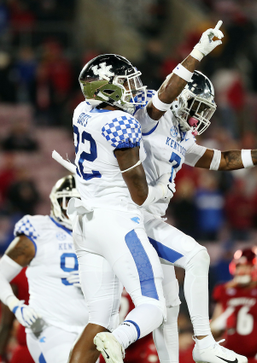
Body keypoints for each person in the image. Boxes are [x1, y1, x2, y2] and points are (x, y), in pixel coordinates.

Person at [65, 20, 227, 363]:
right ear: (106, 89)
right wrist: (160, 191)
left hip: (85, 222)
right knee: (152, 304)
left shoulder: (82, 111)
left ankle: (113, 339)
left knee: (97, 320)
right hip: (117, 219)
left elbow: (161, 101)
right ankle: (120, 340)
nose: (135, 86)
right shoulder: (122, 123)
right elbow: (138, 195)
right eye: (125, 82)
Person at [131, 70, 257, 362]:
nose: (198, 116)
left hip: (150, 220)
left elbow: (222, 160)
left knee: (170, 304)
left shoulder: (180, 137)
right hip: (131, 218)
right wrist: (198, 52)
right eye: (196, 105)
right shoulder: (152, 119)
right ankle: (203, 342)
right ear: (179, 97)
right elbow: (160, 97)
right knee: (196, 258)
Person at [0, 175, 87, 363]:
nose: (72, 207)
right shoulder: (39, 231)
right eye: (68, 201)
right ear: (56, 202)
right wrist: (17, 307)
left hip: (88, 328)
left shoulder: (95, 234)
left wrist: (95, 280)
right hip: (50, 327)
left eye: (79, 201)